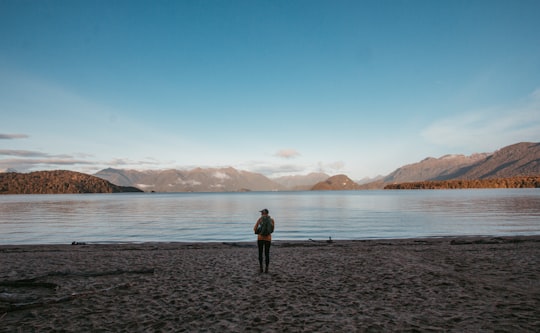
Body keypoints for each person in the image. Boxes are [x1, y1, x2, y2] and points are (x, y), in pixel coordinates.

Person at [253, 208, 275, 273]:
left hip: (260, 238)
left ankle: (261, 268)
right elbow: (272, 230)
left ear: (263, 213)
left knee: (260, 253)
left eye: (262, 212)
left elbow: (254, 228)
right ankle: (267, 268)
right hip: (268, 239)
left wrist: (259, 232)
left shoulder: (260, 219)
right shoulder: (271, 220)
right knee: (267, 253)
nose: (261, 213)